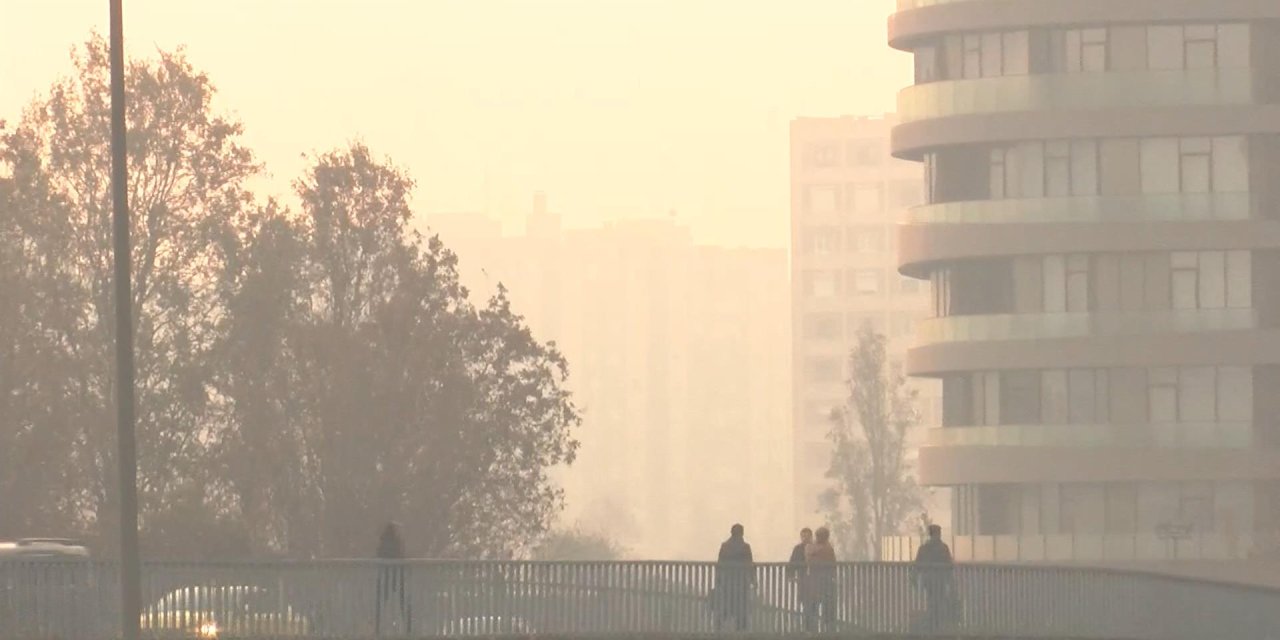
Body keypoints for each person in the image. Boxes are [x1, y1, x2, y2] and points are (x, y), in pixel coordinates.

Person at [712, 524, 755, 631]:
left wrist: (718, 580)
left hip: (727, 583)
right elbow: (750, 564)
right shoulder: (745, 547)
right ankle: (741, 631)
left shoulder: (725, 546)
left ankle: (719, 628)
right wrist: (753, 580)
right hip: (741, 584)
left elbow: (720, 564)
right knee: (741, 609)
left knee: (725, 607)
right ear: (742, 533)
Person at [912, 524, 954, 632]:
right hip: (939, 580)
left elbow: (917, 564)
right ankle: (937, 624)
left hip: (929, 580)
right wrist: (949, 580)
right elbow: (949, 564)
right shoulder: (943, 548)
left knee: (932, 601)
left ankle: (933, 623)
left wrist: (915, 578)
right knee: (938, 601)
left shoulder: (924, 548)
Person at [375, 521, 410, 636]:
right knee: (403, 603)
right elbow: (402, 556)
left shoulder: (383, 542)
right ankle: (407, 628)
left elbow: (378, 555)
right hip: (397, 576)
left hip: (384, 577)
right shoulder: (397, 542)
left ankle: (378, 628)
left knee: (381, 603)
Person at [803, 527, 837, 633]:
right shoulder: (823, 548)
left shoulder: (827, 548)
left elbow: (831, 563)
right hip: (817, 582)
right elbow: (810, 560)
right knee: (814, 606)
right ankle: (813, 630)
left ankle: (825, 630)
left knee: (825, 607)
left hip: (822, 582)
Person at [787, 528, 813, 627]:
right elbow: (792, 562)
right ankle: (807, 626)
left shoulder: (815, 547)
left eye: (807, 536)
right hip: (803, 579)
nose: (805, 538)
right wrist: (791, 575)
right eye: (803, 536)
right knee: (805, 602)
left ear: (811, 536)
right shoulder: (798, 548)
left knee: (813, 603)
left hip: (814, 580)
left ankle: (809, 625)